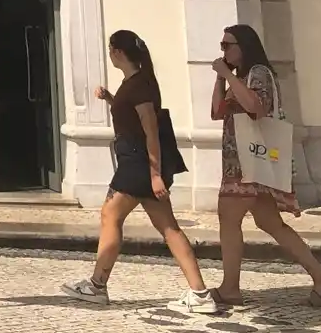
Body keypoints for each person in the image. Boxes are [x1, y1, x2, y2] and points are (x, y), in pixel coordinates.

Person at [62, 29, 219, 314]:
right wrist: (111, 99)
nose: (109, 54)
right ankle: (199, 293)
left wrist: (155, 174)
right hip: (137, 161)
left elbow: (150, 131)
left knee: (111, 215)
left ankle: (98, 285)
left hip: (138, 163)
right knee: (168, 228)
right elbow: (132, 117)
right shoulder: (136, 82)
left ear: (118, 52)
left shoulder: (138, 85)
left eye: (111, 50)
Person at [210, 23, 321, 307]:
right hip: (246, 161)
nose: (223, 51)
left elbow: (256, 108)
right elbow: (215, 113)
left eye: (226, 45)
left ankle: (230, 288)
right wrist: (223, 79)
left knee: (229, 220)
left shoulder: (259, 73)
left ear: (242, 46)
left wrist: (227, 77)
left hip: (246, 165)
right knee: (270, 223)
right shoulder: (240, 76)